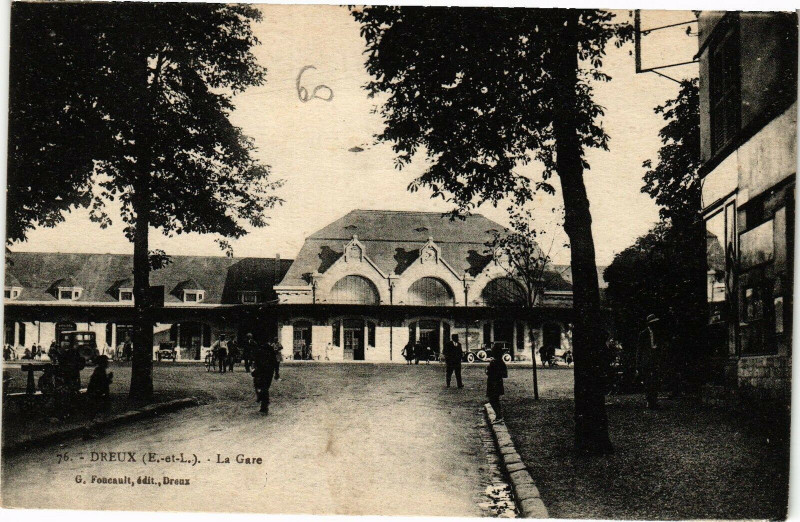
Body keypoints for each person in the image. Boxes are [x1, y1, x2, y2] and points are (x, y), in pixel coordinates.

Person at [637, 314, 665, 410]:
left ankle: (654, 400)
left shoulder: (658, 334)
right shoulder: (643, 334)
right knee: (648, 381)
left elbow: (660, 346)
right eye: (653, 323)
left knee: (656, 380)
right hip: (646, 361)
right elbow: (639, 350)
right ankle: (650, 401)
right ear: (649, 324)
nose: (654, 325)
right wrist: (638, 363)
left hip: (655, 360)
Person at [85, 355, 113, 438]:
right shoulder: (99, 371)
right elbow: (102, 383)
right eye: (106, 362)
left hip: (96, 394)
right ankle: (90, 431)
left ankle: (91, 430)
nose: (107, 363)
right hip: (97, 395)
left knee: (97, 413)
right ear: (103, 363)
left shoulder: (99, 370)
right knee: (98, 413)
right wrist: (109, 378)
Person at [251, 340, 280, 414]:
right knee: (264, 388)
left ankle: (264, 405)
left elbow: (254, 361)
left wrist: (254, 370)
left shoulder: (260, 350)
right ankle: (264, 404)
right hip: (268, 372)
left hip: (262, 371)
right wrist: (276, 373)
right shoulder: (270, 350)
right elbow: (275, 363)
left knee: (260, 386)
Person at [486, 344, 508, 423]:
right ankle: (499, 416)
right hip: (498, 383)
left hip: (492, 383)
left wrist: (488, 369)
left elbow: (488, 372)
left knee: (492, 400)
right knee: (496, 400)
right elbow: (505, 375)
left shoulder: (493, 362)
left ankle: (499, 416)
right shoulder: (501, 362)